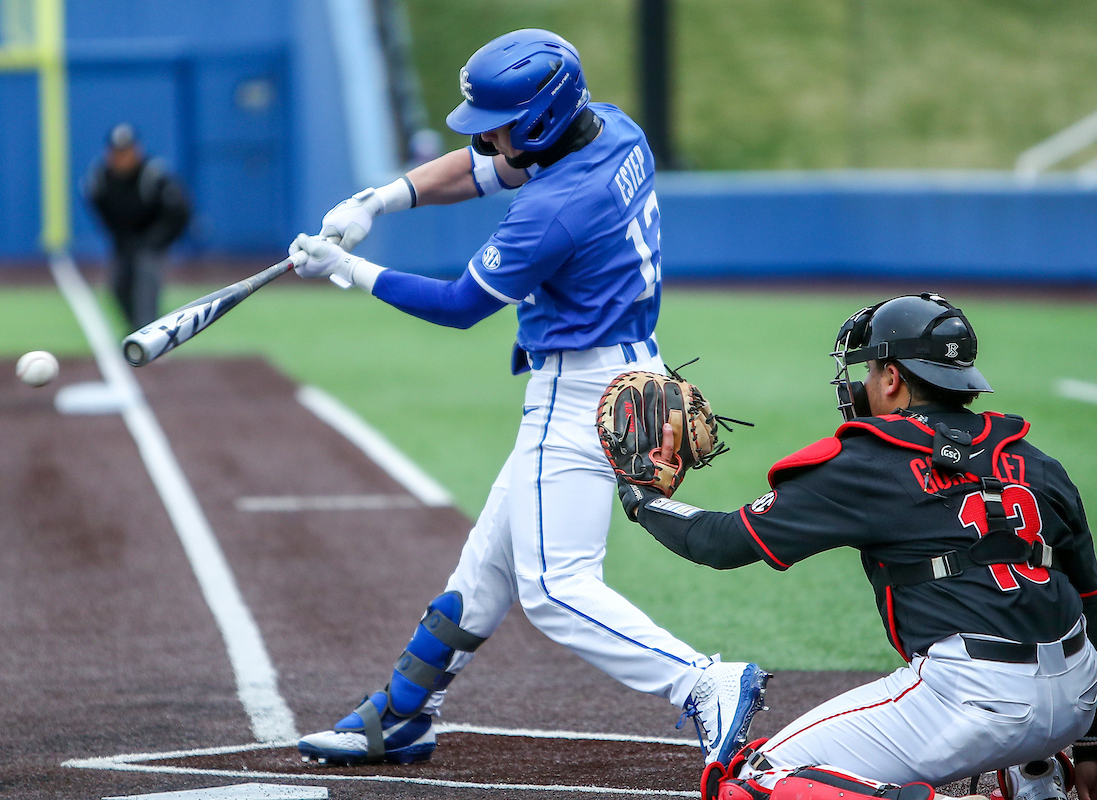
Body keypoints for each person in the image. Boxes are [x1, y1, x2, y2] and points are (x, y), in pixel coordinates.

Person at [285, 29, 768, 767]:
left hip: (578, 393)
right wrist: (377, 200)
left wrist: (349, 269)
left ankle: (703, 682)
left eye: (500, 124)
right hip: (630, 372)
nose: (486, 138)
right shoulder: (613, 130)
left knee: (554, 587)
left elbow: (458, 305)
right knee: (485, 570)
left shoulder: (555, 208)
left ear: (541, 120)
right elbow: (484, 169)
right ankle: (404, 712)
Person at [614, 292, 1097, 800]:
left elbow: (722, 542)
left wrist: (641, 497)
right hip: (1077, 697)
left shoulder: (869, 461)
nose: (862, 384)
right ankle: (1035, 778)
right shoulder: (1037, 461)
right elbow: (1090, 599)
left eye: (869, 370)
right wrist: (1091, 743)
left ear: (892, 378)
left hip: (972, 700)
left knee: (753, 780)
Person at [85, 123, 191, 332]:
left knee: (146, 281)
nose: (122, 158)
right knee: (118, 286)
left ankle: (148, 332)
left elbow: (179, 212)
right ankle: (135, 328)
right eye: (117, 152)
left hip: (152, 239)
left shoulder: (154, 175)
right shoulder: (100, 180)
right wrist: (120, 238)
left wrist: (155, 240)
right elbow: (101, 212)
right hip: (125, 241)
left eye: (126, 151)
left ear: (137, 150)